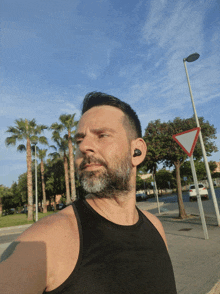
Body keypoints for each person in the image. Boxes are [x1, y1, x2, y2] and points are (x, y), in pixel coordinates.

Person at [0, 92, 177, 294]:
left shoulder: (156, 227)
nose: (84, 147)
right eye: (79, 141)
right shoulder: (46, 240)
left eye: (102, 135)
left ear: (136, 151)